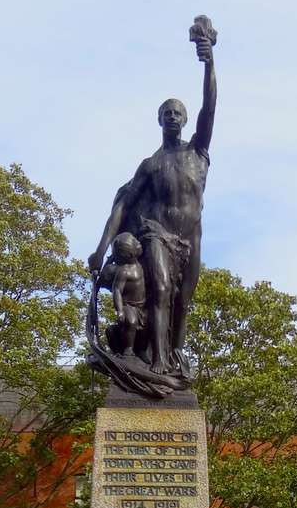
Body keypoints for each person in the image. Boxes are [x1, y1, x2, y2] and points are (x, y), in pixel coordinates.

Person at [88, 31, 216, 377]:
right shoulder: (149, 164)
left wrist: (209, 63)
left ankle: (172, 355)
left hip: (190, 239)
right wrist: (101, 249)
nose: (173, 117)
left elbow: (210, 107)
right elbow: (122, 203)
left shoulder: (197, 152)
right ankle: (158, 360)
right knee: (159, 289)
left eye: (178, 113)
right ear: (160, 120)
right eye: (167, 113)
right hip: (156, 235)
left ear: (186, 121)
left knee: (182, 301)